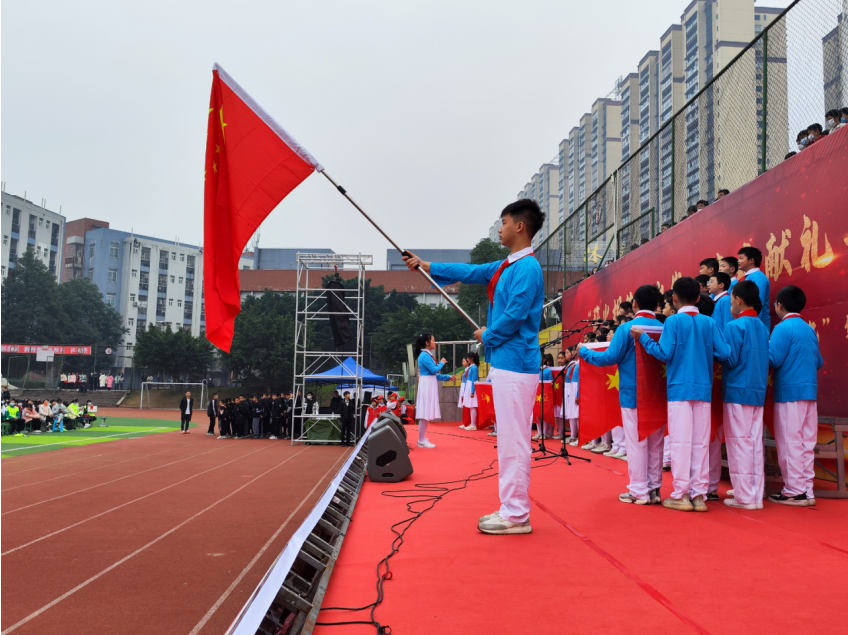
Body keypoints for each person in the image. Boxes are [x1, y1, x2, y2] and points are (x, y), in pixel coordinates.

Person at [405, 198, 545, 536]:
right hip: (505, 362)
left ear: (520, 227)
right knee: (510, 440)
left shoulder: (527, 268)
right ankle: (511, 508)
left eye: (504, 222)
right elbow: (467, 272)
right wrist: (426, 265)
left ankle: (516, 514)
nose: (500, 228)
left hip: (516, 363)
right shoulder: (504, 266)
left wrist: (487, 335)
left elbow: (515, 314)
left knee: (514, 441)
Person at [633, 277, 730, 512]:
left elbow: (664, 353)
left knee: (680, 442)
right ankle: (698, 495)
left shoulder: (674, 321)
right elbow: (725, 353)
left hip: (679, 390)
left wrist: (643, 338)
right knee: (700, 443)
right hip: (703, 390)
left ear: (674, 298)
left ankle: (680, 494)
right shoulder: (708, 322)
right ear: (698, 298)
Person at [582, 285, 665, 504]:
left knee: (636, 442)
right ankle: (654, 489)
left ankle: (638, 490)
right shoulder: (665, 326)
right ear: (657, 305)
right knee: (656, 442)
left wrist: (584, 352)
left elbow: (609, 358)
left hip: (633, 394)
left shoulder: (627, 328)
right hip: (658, 394)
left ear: (634, 304)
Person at [767, 285, 823, 507]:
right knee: (806, 443)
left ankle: (794, 490)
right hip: (809, 392)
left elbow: (773, 360)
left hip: (789, 393)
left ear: (779, 305)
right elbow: (818, 362)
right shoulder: (808, 329)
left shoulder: (782, 328)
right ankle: (806, 490)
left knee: (790, 442)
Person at [718, 280, 770, 510]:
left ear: (738, 300)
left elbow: (731, 359)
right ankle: (755, 494)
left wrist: (715, 350)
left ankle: (744, 496)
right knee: (753, 443)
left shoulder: (733, 326)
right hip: (756, 391)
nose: (730, 304)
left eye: (730, 300)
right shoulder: (761, 326)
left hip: (737, 390)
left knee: (739, 443)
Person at [412, 333, 451, 449]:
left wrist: (448, 377)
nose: (435, 342)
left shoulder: (427, 355)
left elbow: (434, 375)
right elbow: (434, 370)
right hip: (427, 385)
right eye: (433, 340)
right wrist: (442, 362)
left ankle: (422, 438)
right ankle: (421, 440)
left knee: (426, 413)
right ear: (427, 343)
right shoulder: (424, 355)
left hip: (428, 383)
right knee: (425, 413)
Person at [737, 246, 770, 329]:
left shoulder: (757, 277)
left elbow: (758, 302)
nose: (738, 261)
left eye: (741, 258)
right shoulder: (747, 277)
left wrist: (753, 326)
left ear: (751, 260)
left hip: (755, 326)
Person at [460, 352, 480, 431]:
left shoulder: (474, 367)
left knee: (472, 406)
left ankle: (473, 424)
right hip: (468, 386)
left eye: (468, 358)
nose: (467, 359)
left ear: (471, 358)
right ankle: (472, 423)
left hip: (471, 387)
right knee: (471, 406)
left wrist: (472, 391)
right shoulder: (471, 367)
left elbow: (474, 380)